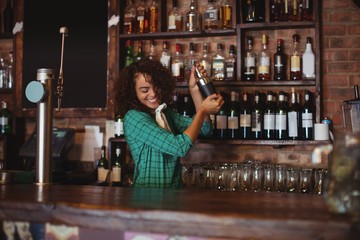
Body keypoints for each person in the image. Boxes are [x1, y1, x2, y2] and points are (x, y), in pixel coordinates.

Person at [115, 59, 224, 188]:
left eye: (156, 86)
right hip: (147, 196)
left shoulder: (164, 113)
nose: (153, 93)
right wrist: (202, 110)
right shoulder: (134, 118)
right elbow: (179, 147)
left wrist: (194, 90)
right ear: (133, 92)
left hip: (174, 196)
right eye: (145, 90)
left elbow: (205, 129)